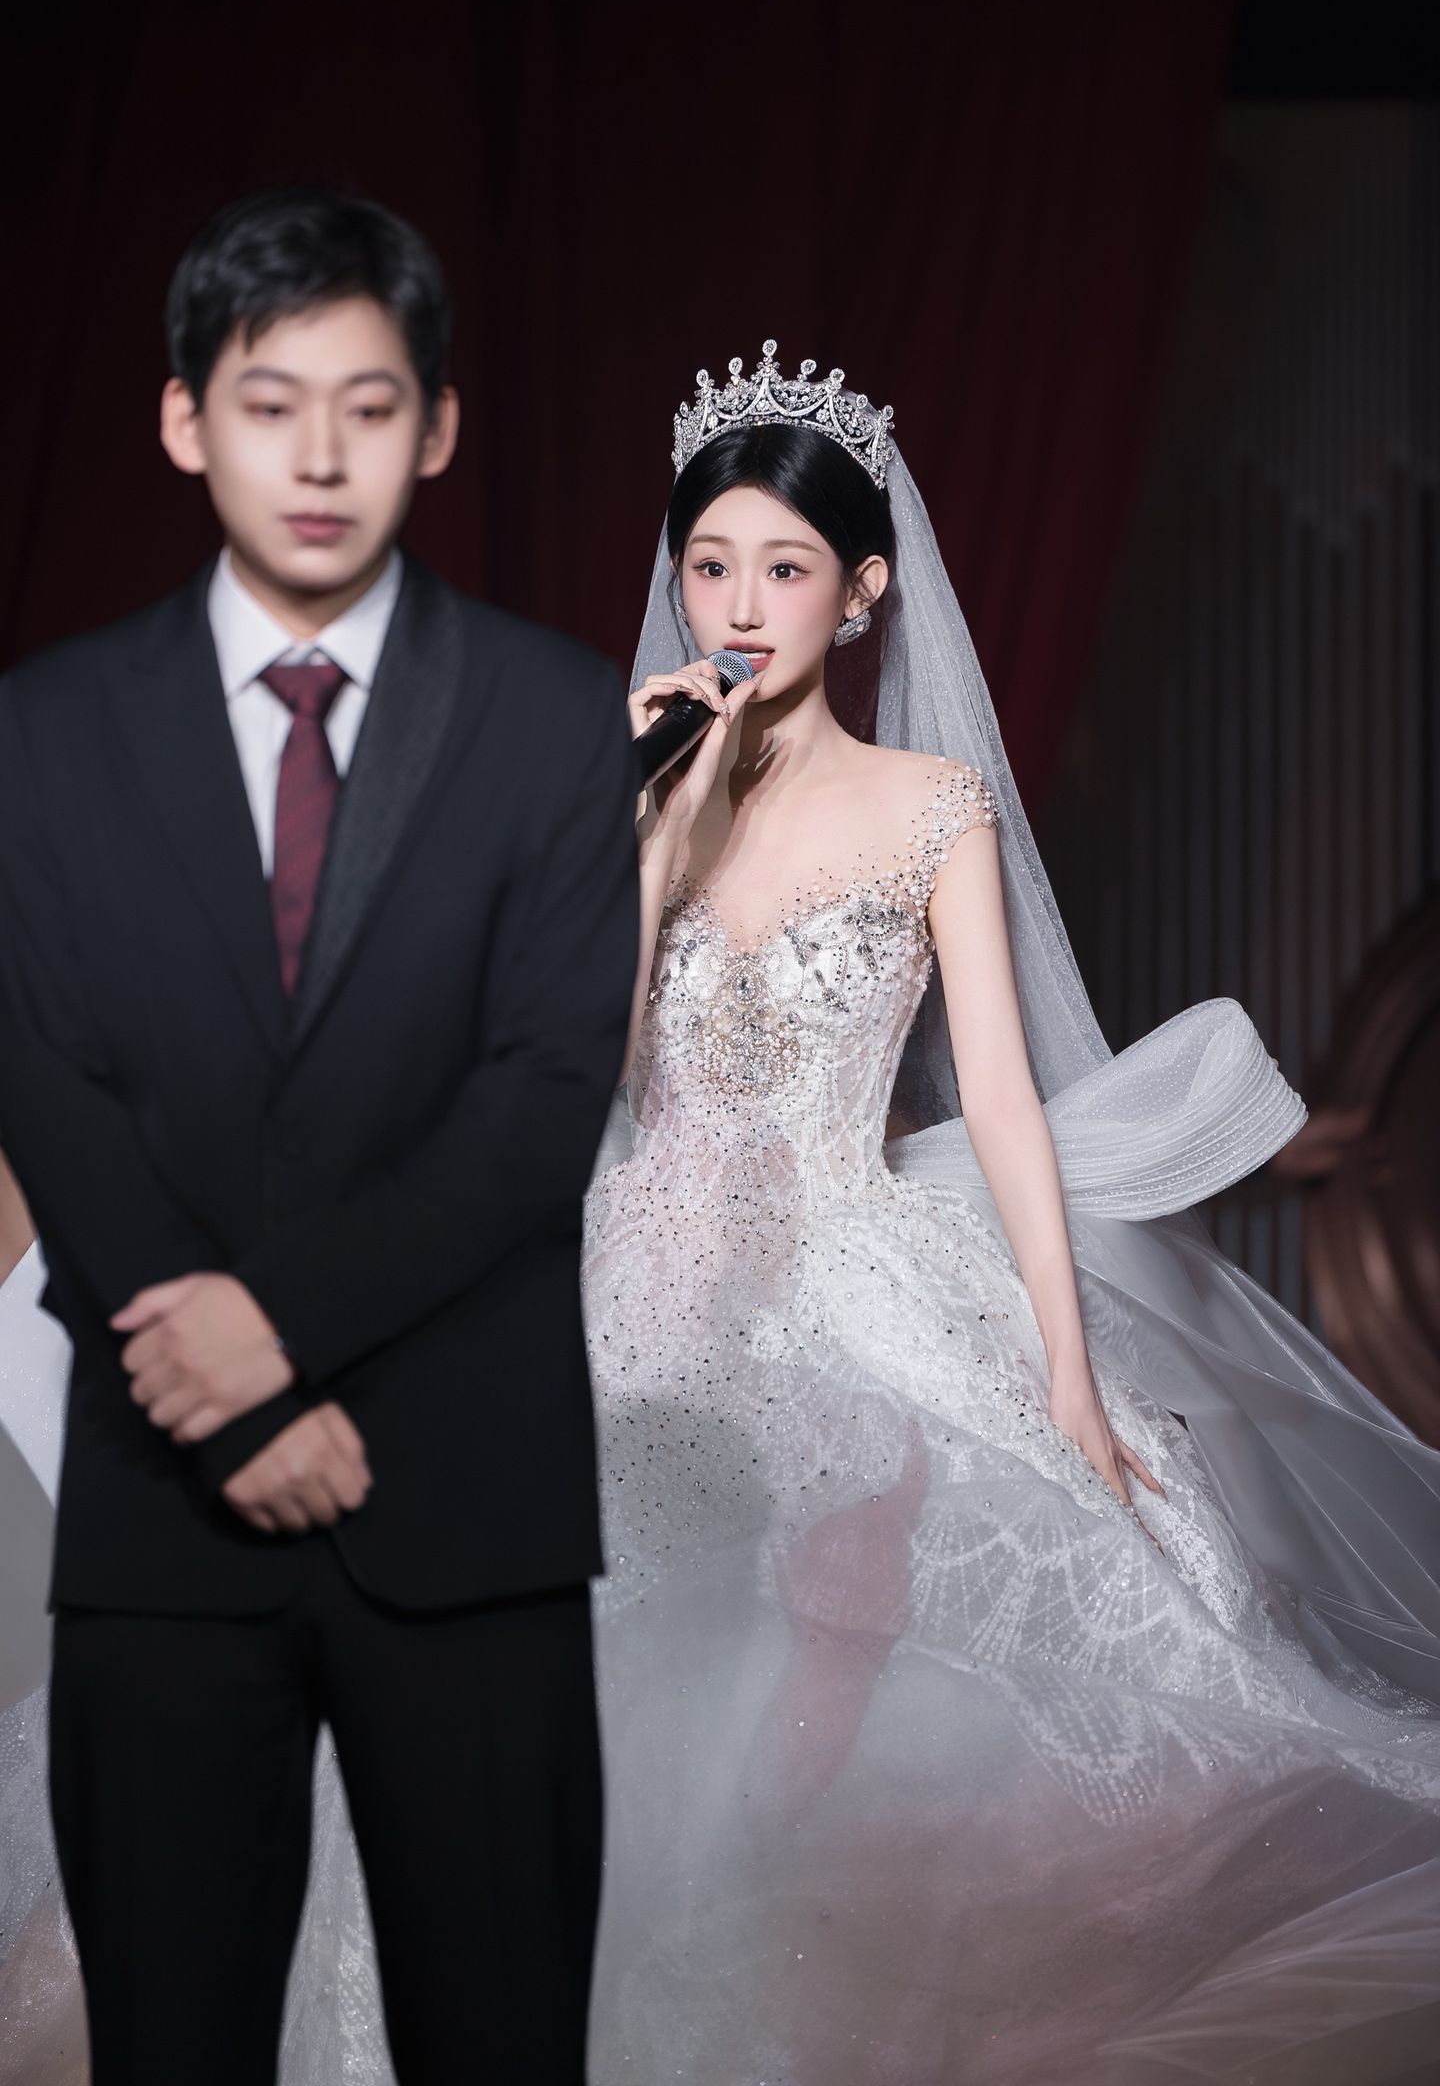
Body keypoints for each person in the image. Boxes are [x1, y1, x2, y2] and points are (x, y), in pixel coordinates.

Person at [579, 345, 1440, 2081]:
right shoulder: (640, 785)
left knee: (890, 1645)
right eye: (710, 564)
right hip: (627, 1277)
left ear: (862, 592)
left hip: (837, 1266)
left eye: (784, 568)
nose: (739, 606)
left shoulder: (929, 809)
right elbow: (576, 1069)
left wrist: (1064, 1368)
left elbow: (1003, 1104)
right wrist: (653, 837)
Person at [0, 188, 637, 2086]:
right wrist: (230, 1407)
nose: (320, 458)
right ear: (185, 419)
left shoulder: (549, 717)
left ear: (436, 429)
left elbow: (546, 1096)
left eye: (369, 408)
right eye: (271, 406)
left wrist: (265, 1340)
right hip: (162, 1516)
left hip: (473, 1508)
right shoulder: (42, 730)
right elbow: (41, 1074)